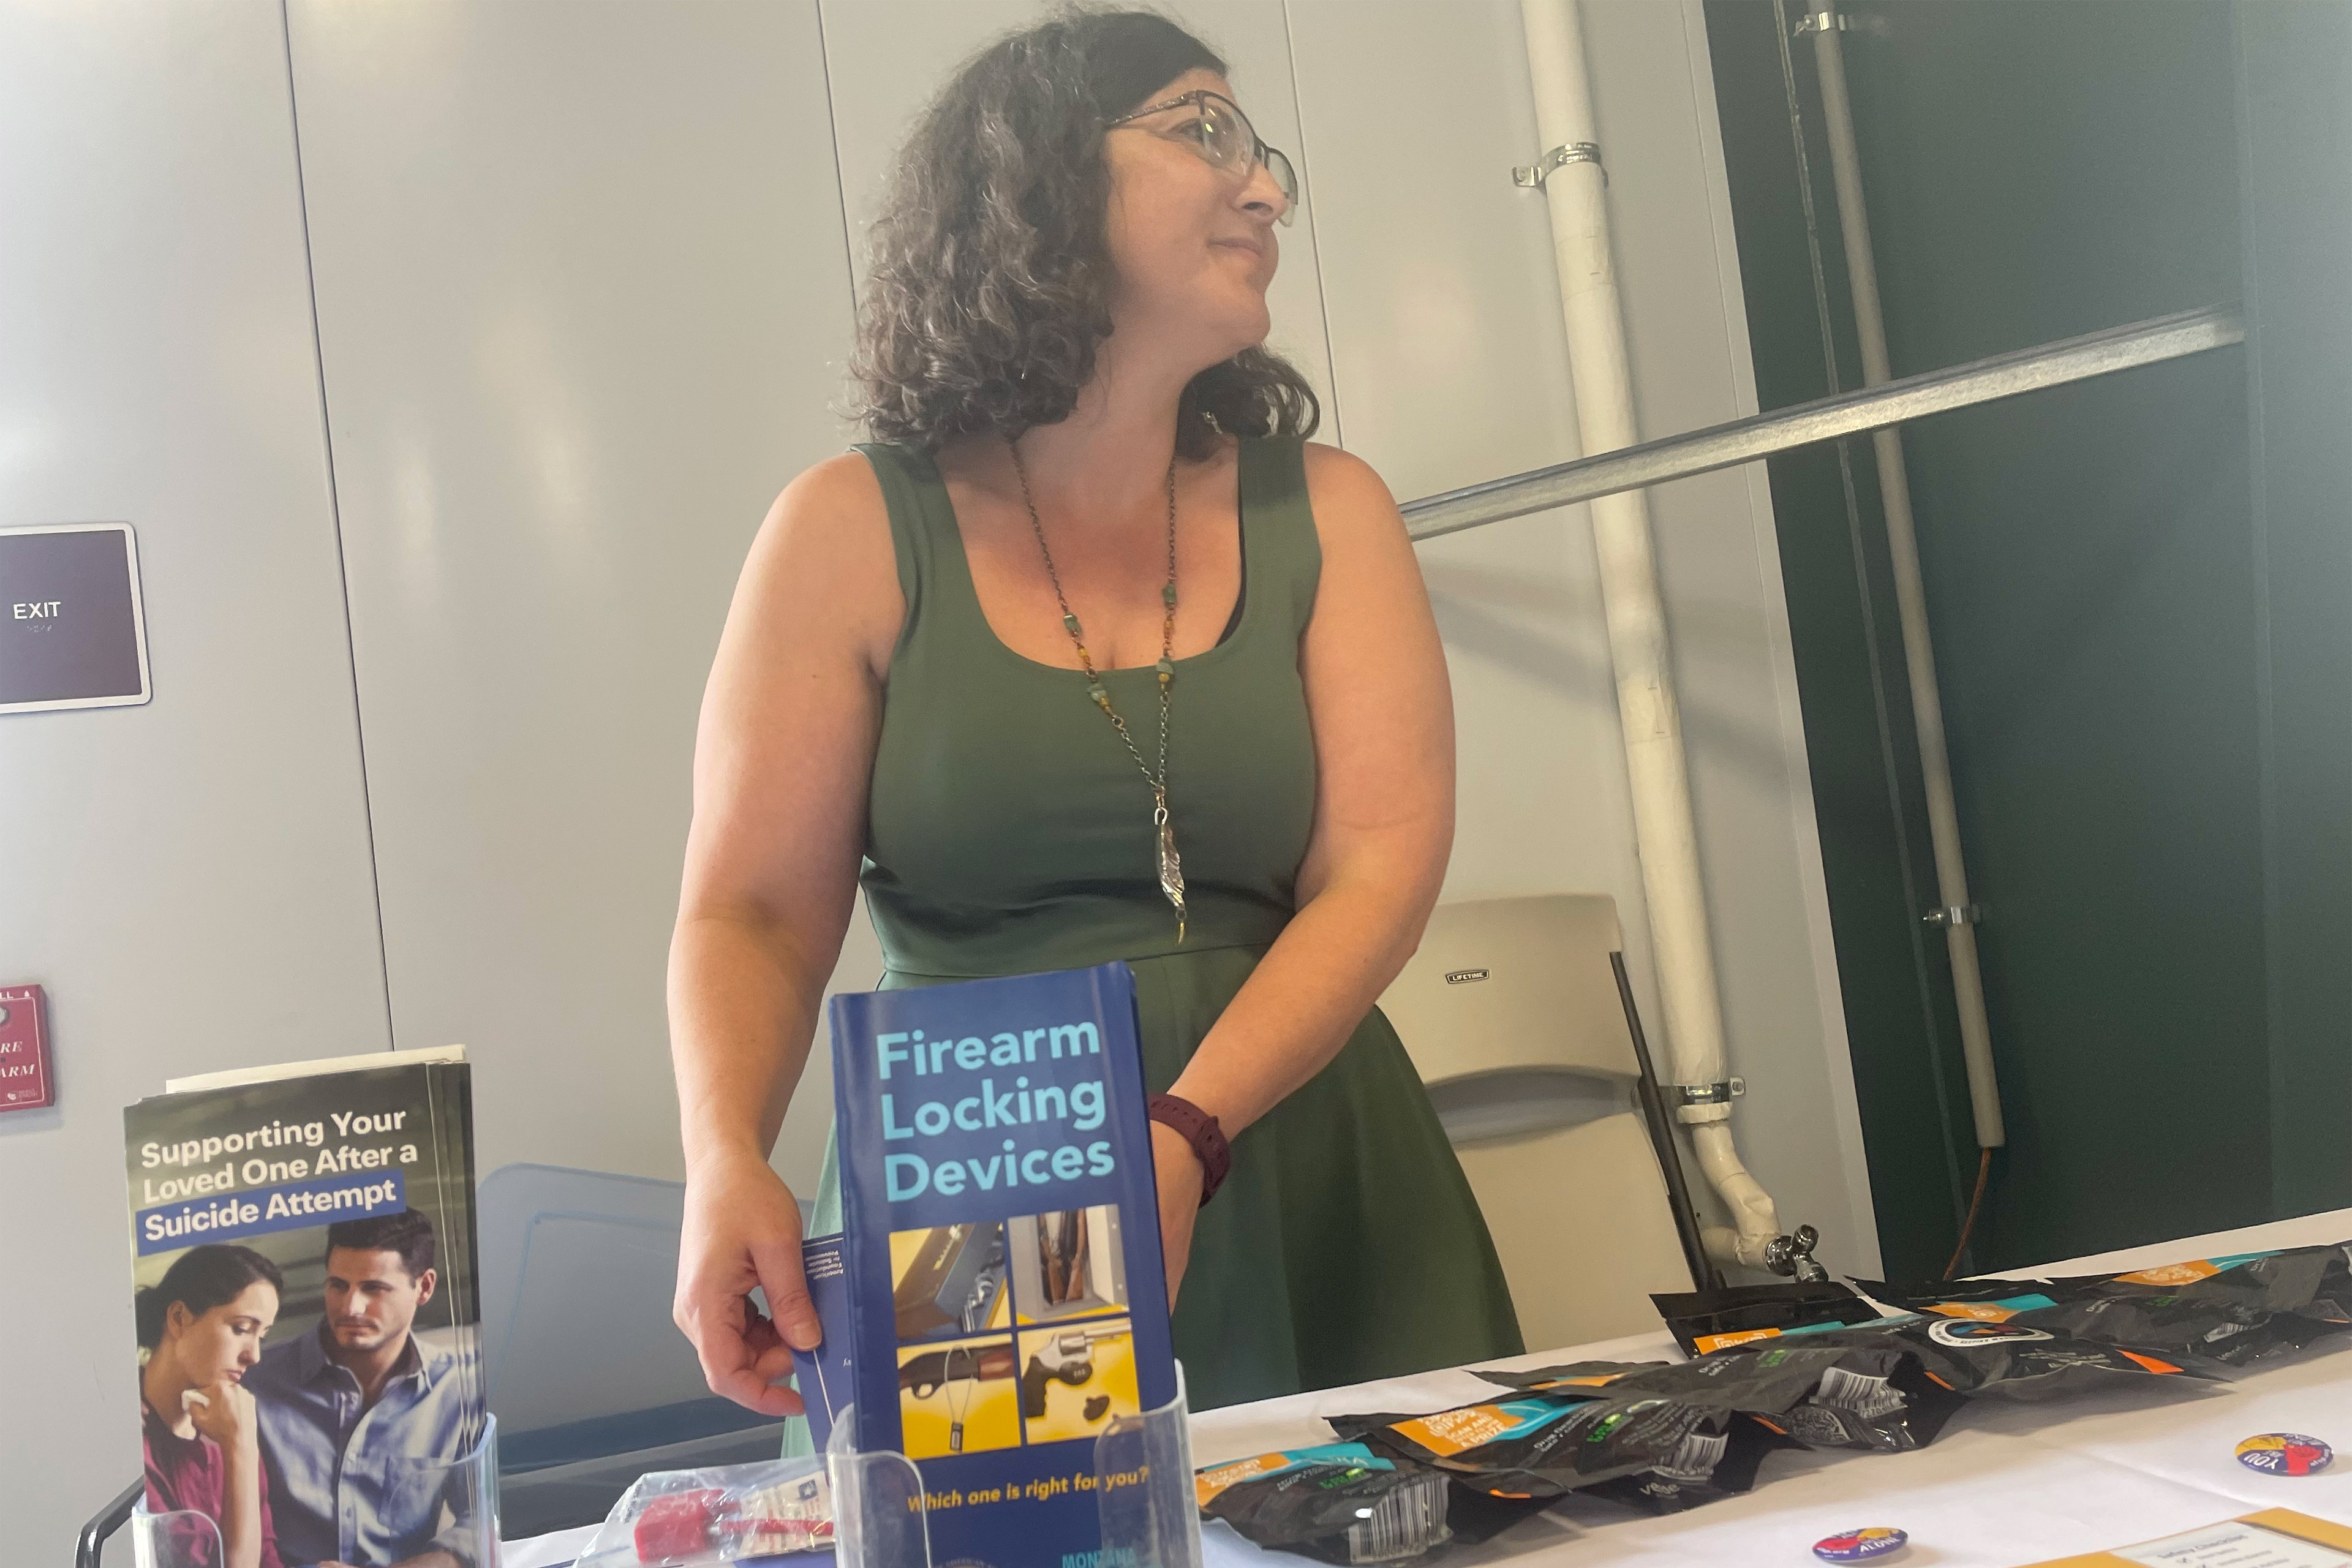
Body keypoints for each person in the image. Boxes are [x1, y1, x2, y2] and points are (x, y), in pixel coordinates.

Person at [668, 5, 1521, 1418]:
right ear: (1039, 179)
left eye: (1261, 150)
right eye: (1204, 131)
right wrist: (722, 1154)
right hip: (981, 1185)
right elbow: (750, 911)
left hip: (1298, 1154)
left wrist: (1182, 1131)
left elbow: (1376, 871)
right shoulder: (847, 528)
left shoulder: (1328, 509)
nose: (1263, 186)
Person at [244, 1210, 471, 1568]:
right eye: (338, 1285)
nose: (350, 1307)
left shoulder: (460, 1390)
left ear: (424, 1287)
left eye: (373, 1288)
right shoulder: (253, 1382)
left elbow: (482, 1522)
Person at [137, 1244, 287, 1568]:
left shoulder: (234, 1429)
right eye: (241, 1329)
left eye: (261, 1336)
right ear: (179, 1318)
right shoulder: (127, 1438)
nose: (254, 1356)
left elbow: (266, 1559)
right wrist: (240, 1449)